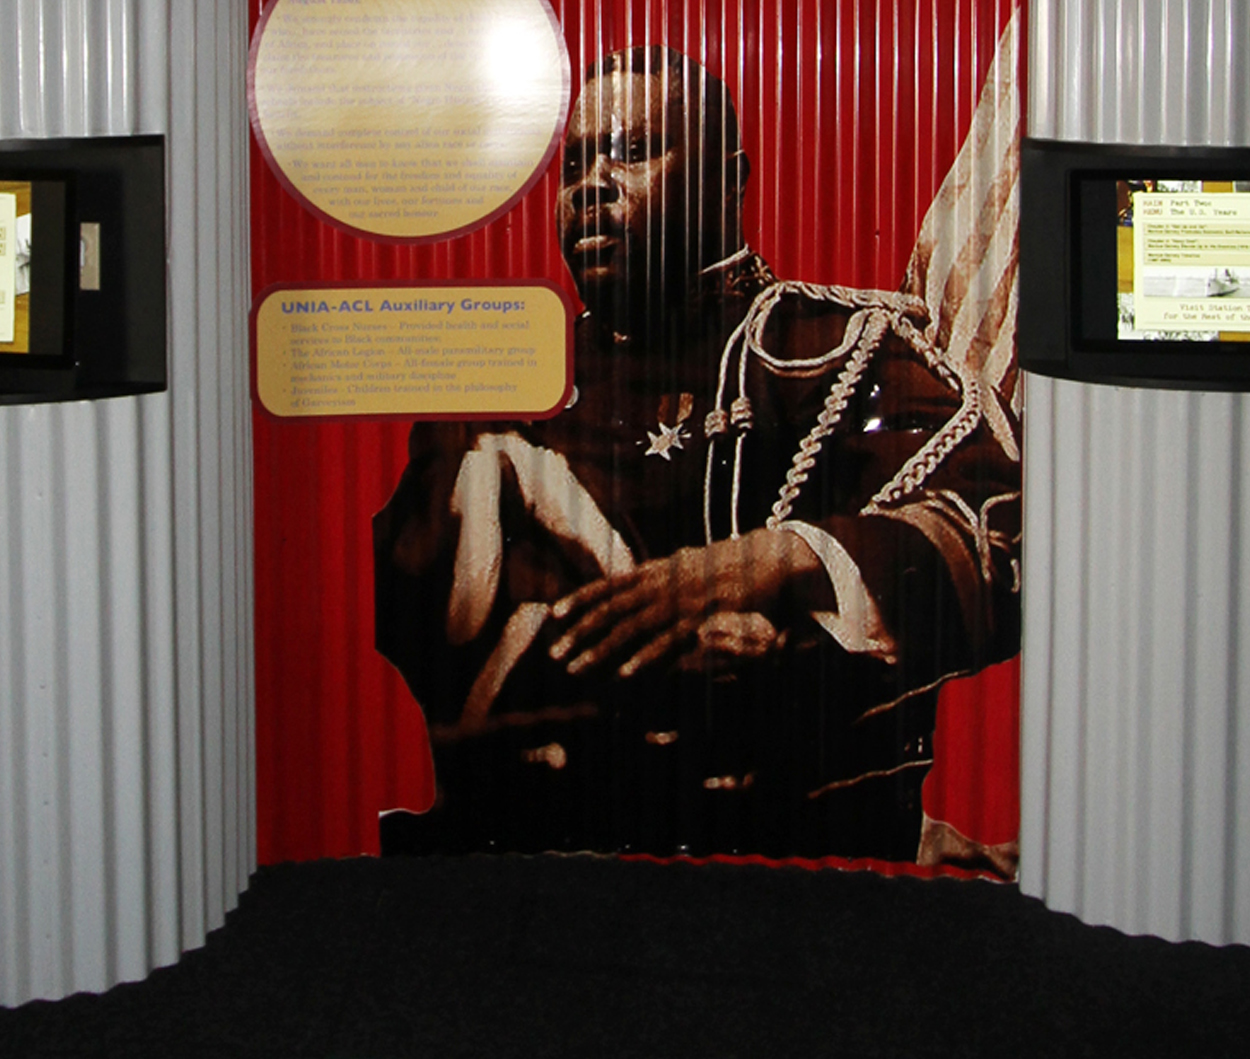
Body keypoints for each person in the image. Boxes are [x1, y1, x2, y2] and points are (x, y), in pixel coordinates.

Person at [374, 46, 1021, 860]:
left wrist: (782, 562)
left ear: (726, 178)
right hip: (535, 876)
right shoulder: (505, 397)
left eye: (635, 151)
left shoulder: (831, 350)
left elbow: (1001, 529)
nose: (592, 185)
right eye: (575, 164)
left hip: (809, 867)